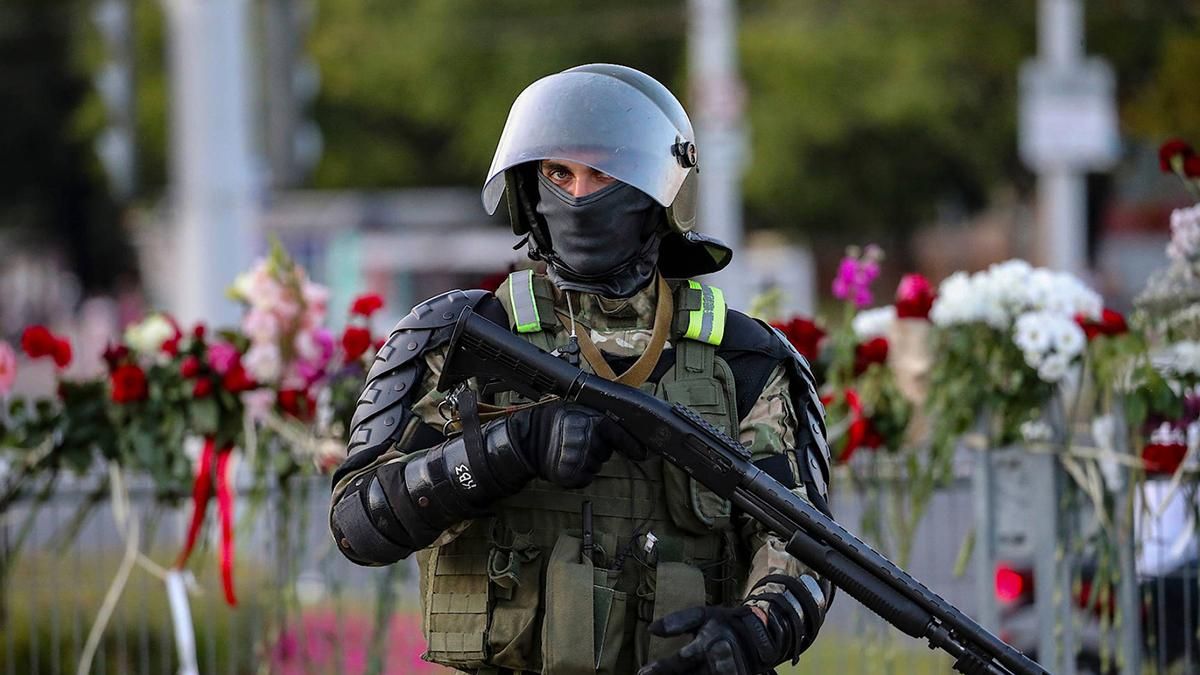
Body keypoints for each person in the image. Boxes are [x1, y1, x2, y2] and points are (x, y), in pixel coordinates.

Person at [329, 63, 834, 675]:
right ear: (528, 188)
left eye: (604, 172)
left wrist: (754, 632)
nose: (579, 195)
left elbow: (804, 548)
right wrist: (511, 446)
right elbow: (359, 522)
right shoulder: (458, 338)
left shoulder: (745, 359)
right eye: (558, 173)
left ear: (657, 192)